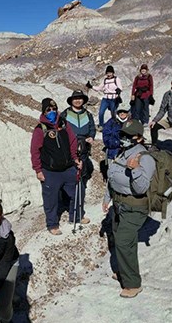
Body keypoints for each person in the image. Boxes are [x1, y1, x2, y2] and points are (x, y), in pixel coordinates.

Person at [102, 119, 156, 298]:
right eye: (122, 134)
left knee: (124, 241)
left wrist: (134, 170)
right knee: (123, 239)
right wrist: (107, 198)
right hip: (119, 204)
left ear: (139, 138)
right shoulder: (123, 153)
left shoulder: (144, 158)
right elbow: (113, 177)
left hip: (134, 207)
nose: (123, 138)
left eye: (128, 136)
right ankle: (125, 272)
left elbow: (141, 188)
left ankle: (133, 284)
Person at [30, 98, 84, 235]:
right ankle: (52, 224)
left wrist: (75, 158)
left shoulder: (64, 124)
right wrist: (38, 170)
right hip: (50, 171)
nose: (52, 112)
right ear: (44, 111)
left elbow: (72, 141)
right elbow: (35, 150)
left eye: (54, 109)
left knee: (76, 193)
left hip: (68, 168)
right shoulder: (40, 129)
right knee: (51, 200)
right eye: (48, 110)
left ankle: (76, 217)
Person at [60, 90, 95, 223]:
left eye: (80, 98)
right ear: (71, 100)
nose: (78, 101)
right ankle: (68, 203)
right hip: (69, 149)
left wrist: (91, 136)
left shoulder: (88, 114)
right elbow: (60, 129)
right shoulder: (65, 114)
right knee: (70, 177)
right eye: (75, 99)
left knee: (80, 178)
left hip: (84, 148)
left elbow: (92, 128)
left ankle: (76, 212)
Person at [86, 65, 123, 130]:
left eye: (110, 73)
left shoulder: (116, 79)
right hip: (105, 98)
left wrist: (118, 90)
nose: (109, 74)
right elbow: (99, 88)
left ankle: (114, 126)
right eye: (108, 73)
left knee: (113, 113)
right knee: (101, 112)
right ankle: (101, 125)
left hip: (113, 98)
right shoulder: (105, 80)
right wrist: (91, 86)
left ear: (113, 73)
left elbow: (120, 87)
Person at [100, 104, 131, 181]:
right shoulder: (111, 122)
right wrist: (118, 143)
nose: (122, 113)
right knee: (113, 174)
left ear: (128, 113)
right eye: (120, 112)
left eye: (124, 111)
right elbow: (106, 138)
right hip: (113, 151)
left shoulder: (132, 123)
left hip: (128, 152)